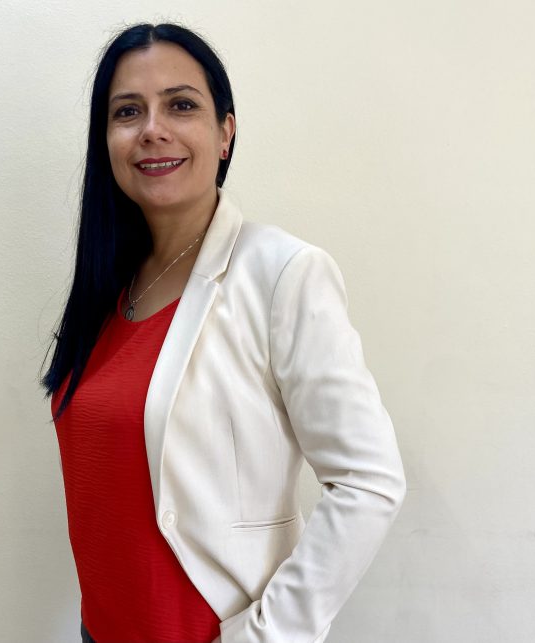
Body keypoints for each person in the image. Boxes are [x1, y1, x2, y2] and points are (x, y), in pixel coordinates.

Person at [41, 22, 406, 643]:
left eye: (181, 105)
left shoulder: (282, 274)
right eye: (127, 111)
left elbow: (369, 481)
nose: (152, 128)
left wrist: (265, 635)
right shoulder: (108, 287)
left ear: (225, 132)